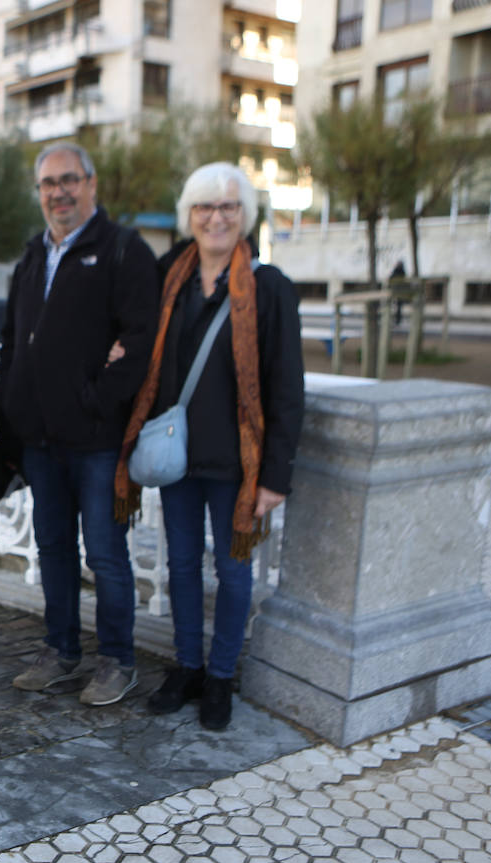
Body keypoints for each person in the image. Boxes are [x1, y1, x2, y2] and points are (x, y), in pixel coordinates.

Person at [115, 162, 304, 731]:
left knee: (234, 571)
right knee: (179, 566)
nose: (216, 217)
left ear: (246, 216)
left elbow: (286, 387)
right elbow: (136, 336)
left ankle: (221, 676)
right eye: (204, 207)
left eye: (228, 207)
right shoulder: (167, 275)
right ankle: (187, 667)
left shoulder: (270, 288)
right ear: (189, 216)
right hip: (176, 459)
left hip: (237, 464)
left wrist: (275, 476)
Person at [0, 140, 160, 706]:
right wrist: (14, 411)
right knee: (54, 549)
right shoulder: (31, 256)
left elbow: (141, 343)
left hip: (96, 440)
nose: (59, 192)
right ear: (39, 192)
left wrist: (95, 399)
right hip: (39, 440)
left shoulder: (122, 250)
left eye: (70, 180)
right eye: (49, 183)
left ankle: (118, 659)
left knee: (106, 555)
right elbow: (15, 343)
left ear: (92, 185)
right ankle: (61, 649)